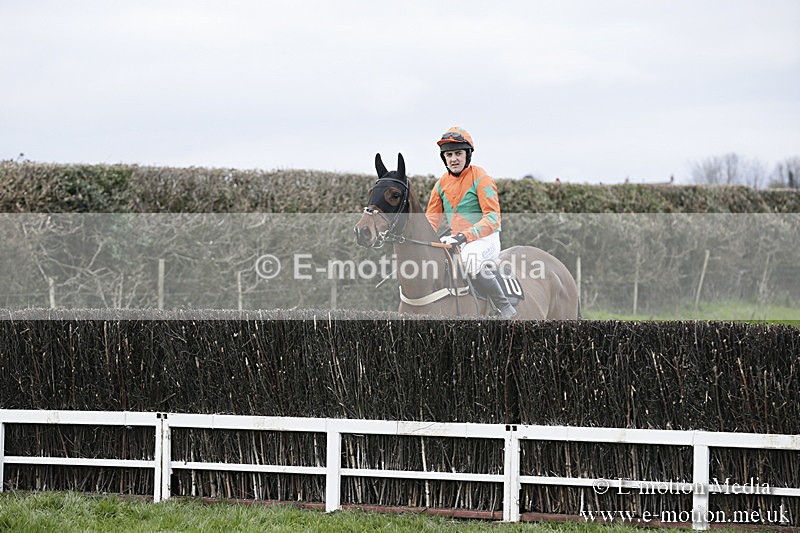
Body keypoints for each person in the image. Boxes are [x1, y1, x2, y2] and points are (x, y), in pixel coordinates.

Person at [425, 126, 517, 318]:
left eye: (458, 153)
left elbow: (493, 218)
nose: (454, 159)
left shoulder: (481, 178)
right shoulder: (440, 184)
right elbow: (431, 220)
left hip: (485, 239)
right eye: (449, 155)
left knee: (469, 261)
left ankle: (504, 306)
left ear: (467, 155)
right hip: (457, 240)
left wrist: (463, 236)